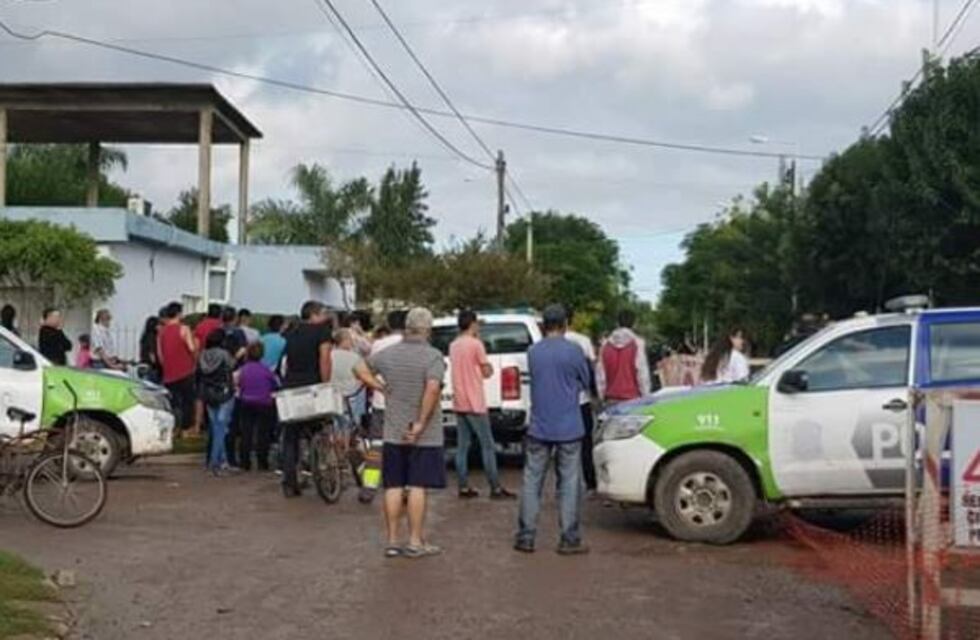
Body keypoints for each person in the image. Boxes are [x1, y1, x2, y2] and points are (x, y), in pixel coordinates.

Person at [355, 307, 446, 559]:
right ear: (427, 329)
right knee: (418, 485)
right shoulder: (433, 356)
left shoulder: (388, 354)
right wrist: (419, 423)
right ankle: (415, 541)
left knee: (393, 485)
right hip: (424, 434)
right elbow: (432, 388)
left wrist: (380, 387)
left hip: (393, 429)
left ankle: (393, 541)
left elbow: (359, 368)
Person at [515, 304, 591, 556]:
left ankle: (526, 536)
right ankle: (569, 538)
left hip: (539, 425)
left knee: (532, 480)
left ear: (543, 325)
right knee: (569, 482)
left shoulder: (533, 352)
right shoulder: (574, 351)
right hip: (569, 425)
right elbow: (586, 380)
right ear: (565, 324)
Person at [449, 309, 515, 500]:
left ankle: (463, 486)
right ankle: (494, 487)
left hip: (459, 400)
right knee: (488, 445)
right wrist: (489, 368)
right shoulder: (476, 344)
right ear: (472, 324)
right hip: (475, 401)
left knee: (462, 446)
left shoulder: (454, 345)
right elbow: (486, 371)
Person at [280, 300, 334, 496]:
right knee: (319, 427)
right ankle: (321, 468)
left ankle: (289, 481)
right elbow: (324, 358)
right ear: (315, 315)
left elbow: (284, 362)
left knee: (290, 436)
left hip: (291, 385)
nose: (326, 316)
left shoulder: (290, 332)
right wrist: (325, 384)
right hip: (312, 385)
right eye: (324, 312)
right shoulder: (322, 332)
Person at [564, 308, 599, 495]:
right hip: (581, 400)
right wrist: (594, 394)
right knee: (586, 444)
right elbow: (591, 370)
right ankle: (590, 484)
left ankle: (563, 485)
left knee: (562, 445)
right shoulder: (583, 341)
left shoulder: (546, 343)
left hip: (560, 402)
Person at [198, 330, 237, 476]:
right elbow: (232, 365)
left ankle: (223, 461)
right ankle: (214, 464)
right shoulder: (224, 354)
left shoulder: (203, 354)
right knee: (221, 429)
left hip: (208, 393)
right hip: (224, 392)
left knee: (216, 428)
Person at [236, 342, 279, 472]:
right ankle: (262, 461)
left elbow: (239, 383)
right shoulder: (266, 370)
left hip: (246, 401)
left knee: (246, 432)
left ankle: (245, 462)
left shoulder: (243, 369)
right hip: (264, 403)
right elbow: (275, 385)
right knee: (263, 433)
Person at [157, 302, 197, 435]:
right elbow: (191, 348)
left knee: (173, 404)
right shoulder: (184, 329)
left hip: (169, 373)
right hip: (185, 370)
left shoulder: (161, 332)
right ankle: (186, 429)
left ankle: (174, 428)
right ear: (179, 314)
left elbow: (160, 355)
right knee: (187, 402)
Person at [596, 310, 651, 404]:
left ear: (617, 323)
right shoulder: (637, 343)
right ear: (634, 324)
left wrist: (601, 395)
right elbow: (642, 373)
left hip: (611, 398)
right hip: (633, 398)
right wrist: (646, 396)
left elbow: (601, 374)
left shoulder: (605, 345)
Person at [138, 315, 162, 382]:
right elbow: (152, 353)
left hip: (143, 365)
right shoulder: (152, 337)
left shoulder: (145, 336)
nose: (160, 327)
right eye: (159, 324)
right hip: (150, 367)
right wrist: (157, 364)